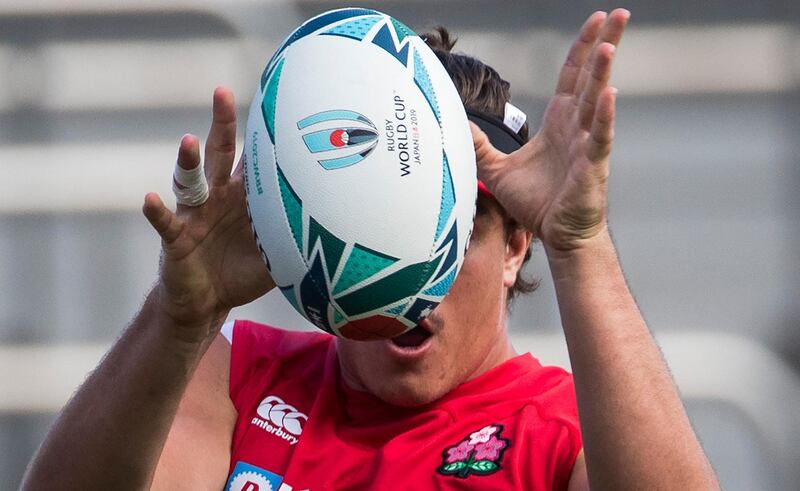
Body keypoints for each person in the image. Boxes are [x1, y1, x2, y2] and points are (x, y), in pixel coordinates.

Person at [22, 9, 719, 490]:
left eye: (455, 230)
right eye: (387, 221)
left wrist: (583, 243)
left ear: (516, 249)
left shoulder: (563, 430)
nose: (413, 269)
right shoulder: (237, 381)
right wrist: (178, 320)